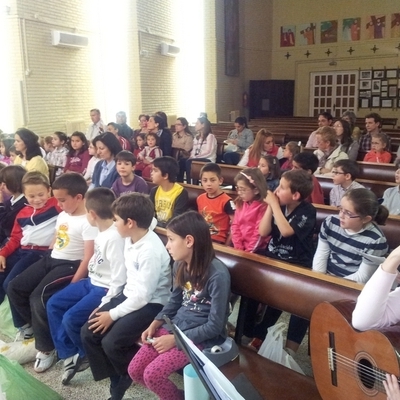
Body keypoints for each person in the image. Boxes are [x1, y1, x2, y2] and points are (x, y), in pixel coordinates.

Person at [128, 211, 231, 400]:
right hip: (175, 327)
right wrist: (155, 323)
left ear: (189, 241)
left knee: (152, 375)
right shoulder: (180, 265)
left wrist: (177, 340)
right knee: (135, 370)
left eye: (171, 239)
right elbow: (175, 301)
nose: (167, 246)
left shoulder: (218, 275)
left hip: (199, 338)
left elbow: (215, 326)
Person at [81, 193, 171, 400]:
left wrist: (112, 314)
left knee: (111, 343)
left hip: (152, 304)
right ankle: (119, 374)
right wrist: (106, 303)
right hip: (130, 295)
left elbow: (144, 296)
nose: (114, 224)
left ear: (130, 222)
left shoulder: (149, 250)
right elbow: (121, 280)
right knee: (88, 332)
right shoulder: (131, 236)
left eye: (116, 220)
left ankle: (127, 373)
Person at [6, 173, 98, 372]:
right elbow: (57, 237)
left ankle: (46, 348)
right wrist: (45, 257)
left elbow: (88, 256)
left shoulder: (88, 221)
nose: (58, 204)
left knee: (37, 297)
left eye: (62, 200)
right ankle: (38, 329)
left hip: (70, 264)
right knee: (14, 287)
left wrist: (75, 282)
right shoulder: (64, 214)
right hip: (52, 258)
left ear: (79, 198)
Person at [46, 188, 126, 385]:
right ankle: (70, 354)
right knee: (53, 303)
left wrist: (109, 301)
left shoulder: (115, 237)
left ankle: (85, 354)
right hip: (91, 282)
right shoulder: (101, 230)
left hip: (104, 288)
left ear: (92, 214)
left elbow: (119, 276)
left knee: (71, 319)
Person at [245, 169, 316, 352]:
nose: (276, 190)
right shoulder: (279, 205)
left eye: (282, 188)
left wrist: (275, 206)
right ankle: (250, 333)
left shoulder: (307, 211)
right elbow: (263, 232)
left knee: (294, 303)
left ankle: (287, 348)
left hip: (297, 265)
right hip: (274, 258)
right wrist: (271, 206)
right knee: (249, 281)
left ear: (296, 195)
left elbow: (286, 231)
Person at [0, 172, 60, 305]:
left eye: (41, 195)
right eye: (31, 196)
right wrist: (2, 254)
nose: (37, 200)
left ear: (49, 191)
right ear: (25, 195)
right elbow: (15, 238)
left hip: (38, 253)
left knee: (10, 283)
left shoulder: (56, 205)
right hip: (22, 250)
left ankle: (23, 323)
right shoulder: (22, 213)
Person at [314, 188, 388, 282]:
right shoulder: (331, 222)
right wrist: (319, 279)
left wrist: (332, 285)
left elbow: (362, 277)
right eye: (341, 209)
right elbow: (321, 254)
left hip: (351, 285)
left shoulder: (376, 240)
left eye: (348, 213)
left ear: (365, 219)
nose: (341, 215)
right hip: (327, 277)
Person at [196, 163, 235, 245]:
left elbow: (235, 224)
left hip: (218, 240)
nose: (208, 184)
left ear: (220, 181)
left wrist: (227, 245)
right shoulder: (200, 198)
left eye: (212, 180)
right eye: (205, 180)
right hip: (202, 236)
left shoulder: (227, 201)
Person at [232, 168, 269, 252]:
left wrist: (248, 252)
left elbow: (258, 233)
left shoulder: (263, 206)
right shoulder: (240, 202)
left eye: (243, 189)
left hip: (257, 248)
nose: (239, 193)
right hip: (240, 246)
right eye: (238, 188)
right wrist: (238, 248)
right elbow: (235, 226)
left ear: (256, 190)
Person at [149, 156, 188, 227]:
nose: (152, 173)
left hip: (171, 228)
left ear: (165, 175)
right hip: (155, 227)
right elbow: (150, 212)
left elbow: (177, 217)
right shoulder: (154, 190)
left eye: (155, 171)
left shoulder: (180, 192)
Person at [179, 116, 217, 184]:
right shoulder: (197, 137)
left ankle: (190, 184)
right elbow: (194, 150)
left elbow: (209, 152)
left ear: (203, 125)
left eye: (197, 123)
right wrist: (192, 156)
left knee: (189, 162)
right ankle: (180, 183)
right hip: (197, 158)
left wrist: (195, 157)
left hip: (208, 159)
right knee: (182, 161)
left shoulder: (210, 136)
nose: (195, 125)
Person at [0, 165, 27, 246]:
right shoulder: (12, 199)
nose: (1, 187)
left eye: (5, 184)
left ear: (16, 184)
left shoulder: (24, 203)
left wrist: (0, 204)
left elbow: (6, 224)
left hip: (12, 239)